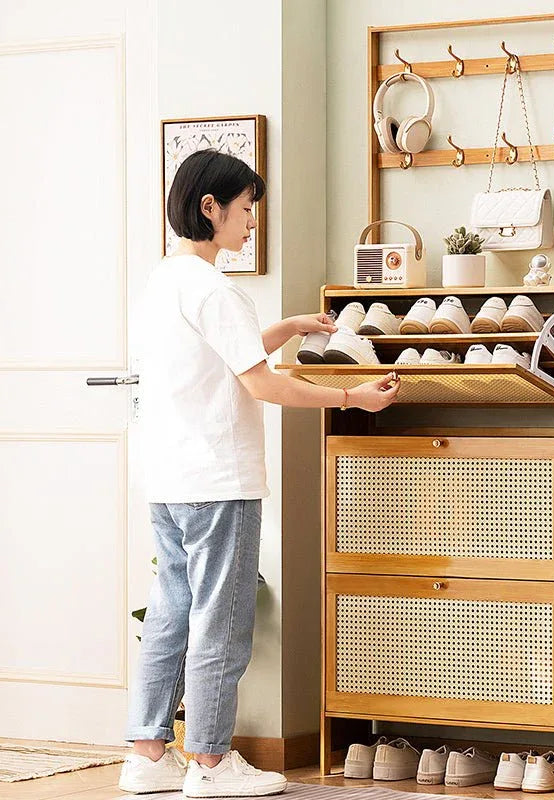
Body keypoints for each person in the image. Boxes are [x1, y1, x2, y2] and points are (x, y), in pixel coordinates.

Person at [119, 149, 399, 797]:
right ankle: (211, 762)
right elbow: (262, 384)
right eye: (245, 210)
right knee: (220, 621)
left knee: (171, 614)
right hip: (220, 481)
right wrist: (351, 397)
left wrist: (291, 326)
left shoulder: (166, 281)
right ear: (210, 207)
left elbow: (222, 356)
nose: (251, 223)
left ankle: (148, 753)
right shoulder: (216, 291)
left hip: (170, 478)